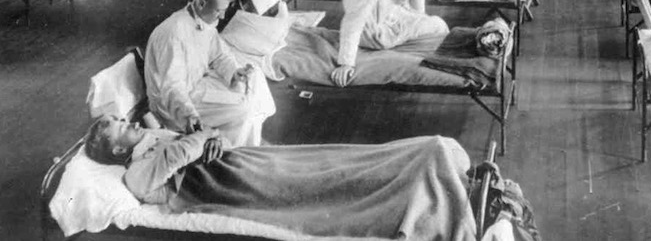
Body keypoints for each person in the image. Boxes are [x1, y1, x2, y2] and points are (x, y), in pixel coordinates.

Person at [82, 118, 478, 240]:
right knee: (322, 186)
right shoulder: (135, 172)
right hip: (227, 183)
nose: (130, 121)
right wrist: (202, 138)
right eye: (121, 127)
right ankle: (422, 182)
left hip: (240, 161)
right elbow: (184, 152)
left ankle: (428, 160)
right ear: (118, 150)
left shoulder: (152, 141)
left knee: (328, 162)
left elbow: (204, 139)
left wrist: (213, 137)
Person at [144, 0, 274, 148]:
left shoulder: (204, 21)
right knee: (243, 109)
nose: (223, 15)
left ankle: (248, 137)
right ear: (201, 3)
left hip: (195, 86)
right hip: (174, 106)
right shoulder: (173, 34)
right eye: (219, 10)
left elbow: (220, 55)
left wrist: (235, 73)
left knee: (254, 75)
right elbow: (171, 88)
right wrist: (189, 115)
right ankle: (236, 152)